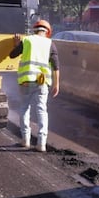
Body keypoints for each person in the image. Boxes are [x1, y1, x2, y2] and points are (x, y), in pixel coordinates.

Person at [8, 19, 60, 151]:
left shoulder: (27, 40)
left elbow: (12, 55)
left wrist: (16, 44)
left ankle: (25, 140)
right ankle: (41, 143)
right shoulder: (50, 44)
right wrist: (56, 84)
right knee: (41, 110)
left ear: (35, 30)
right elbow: (56, 67)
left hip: (26, 81)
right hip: (42, 83)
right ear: (47, 32)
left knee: (24, 109)